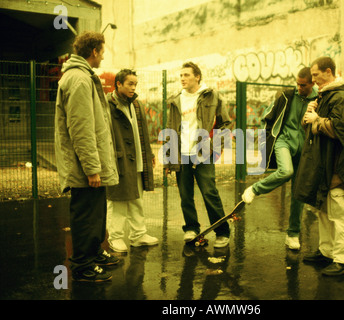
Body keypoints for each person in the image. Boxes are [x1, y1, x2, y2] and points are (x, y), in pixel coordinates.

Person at [293, 56, 344, 276]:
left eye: (316, 75)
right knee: (325, 211)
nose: (313, 79)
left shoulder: (341, 97)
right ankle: (326, 252)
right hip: (324, 165)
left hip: (337, 166)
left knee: (340, 212)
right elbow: (312, 127)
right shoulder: (326, 95)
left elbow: (341, 130)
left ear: (328, 71)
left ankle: (343, 260)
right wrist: (311, 116)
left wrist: (316, 120)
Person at [55, 31, 119, 282]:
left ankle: (93, 252)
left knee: (96, 211)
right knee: (85, 214)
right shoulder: (80, 80)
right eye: (102, 51)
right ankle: (82, 265)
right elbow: (81, 128)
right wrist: (92, 168)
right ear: (94, 51)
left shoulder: (83, 77)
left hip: (92, 163)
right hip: (85, 166)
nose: (104, 56)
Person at [242, 67, 318, 250]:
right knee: (286, 171)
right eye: (297, 84)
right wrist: (268, 136)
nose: (299, 88)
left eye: (303, 85)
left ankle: (292, 234)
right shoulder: (286, 96)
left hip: (306, 148)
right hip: (284, 140)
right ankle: (255, 189)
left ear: (312, 84)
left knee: (298, 192)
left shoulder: (319, 99)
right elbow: (267, 116)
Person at [165, 62, 232, 248]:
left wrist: (212, 147)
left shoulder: (212, 96)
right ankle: (191, 229)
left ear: (197, 77)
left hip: (203, 154)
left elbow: (225, 124)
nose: (182, 79)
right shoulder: (176, 100)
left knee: (210, 193)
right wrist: (168, 158)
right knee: (185, 195)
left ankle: (222, 232)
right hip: (181, 154)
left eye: (186, 75)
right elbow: (170, 128)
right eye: (181, 76)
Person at [106, 69, 158, 252]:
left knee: (137, 199)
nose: (133, 87)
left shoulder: (136, 104)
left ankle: (138, 235)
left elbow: (143, 130)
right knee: (118, 199)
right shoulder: (107, 104)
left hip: (137, 159)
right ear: (118, 84)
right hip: (118, 160)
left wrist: (149, 154)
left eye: (135, 84)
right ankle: (115, 237)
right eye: (130, 83)